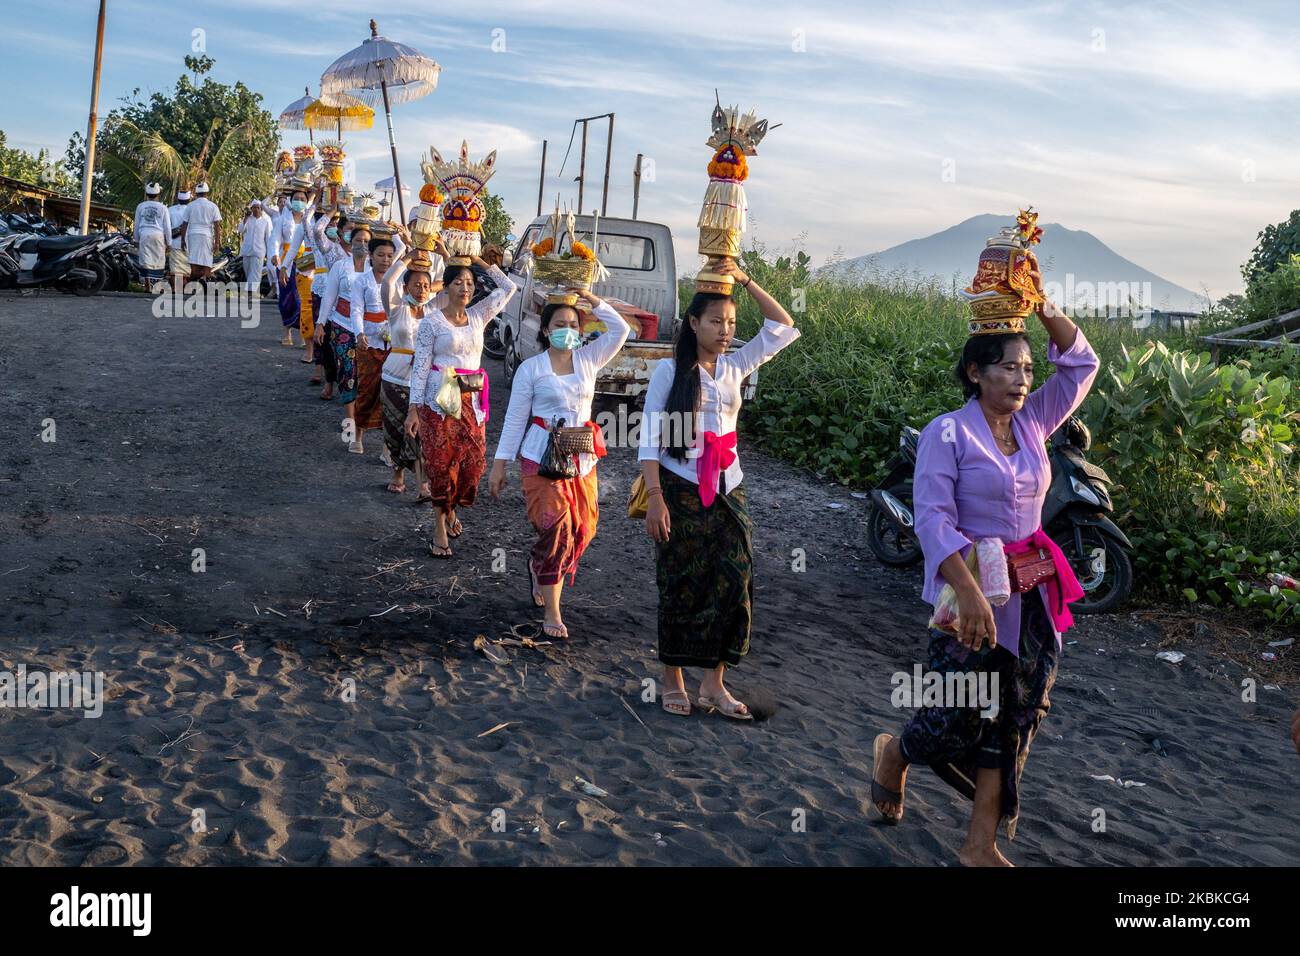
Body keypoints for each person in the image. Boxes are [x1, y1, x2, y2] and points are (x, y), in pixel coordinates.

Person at [870, 282, 1100, 867]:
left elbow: (1080, 363)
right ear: (976, 372)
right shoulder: (948, 433)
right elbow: (934, 520)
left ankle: (979, 846)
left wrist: (1039, 298)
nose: (1023, 380)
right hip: (968, 591)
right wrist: (970, 595)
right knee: (951, 715)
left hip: (1032, 591)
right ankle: (895, 753)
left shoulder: (1032, 424)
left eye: (1027, 368)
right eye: (1008, 368)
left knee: (1017, 716)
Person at [639, 258, 800, 719]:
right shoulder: (670, 374)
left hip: (730, 488)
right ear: (693, 323)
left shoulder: (735, 366)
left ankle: (714, 683)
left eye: (730, 322)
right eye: (716, 321)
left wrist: (744, 279)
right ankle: (673, 678)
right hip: (680, 487)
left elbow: (782, 325)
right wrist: (655, 498)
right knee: (681, 581)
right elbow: (650, 439)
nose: (725, 330)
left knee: (735, 579)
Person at [489, 288, 631, 639]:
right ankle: (553, 611)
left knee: (584, 529)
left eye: (572, 323)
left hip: (581, 459)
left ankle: (540, 568)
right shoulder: (530, 369)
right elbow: (515, 418)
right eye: (559, 323)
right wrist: (499, 464)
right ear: (545, 329)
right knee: (557, 529)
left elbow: (621, 330)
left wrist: (591, 298)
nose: (567, 328)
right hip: (539, 458)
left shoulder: (589, 359)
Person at [405, 253, 517, 557]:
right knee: (441, 465)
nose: (465, 288)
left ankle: (452, 507)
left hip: (472, 401)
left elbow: (508, 290)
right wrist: (414, 407)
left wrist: (480, 262)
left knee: (472, 464)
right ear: (447, 288)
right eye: (458, 282)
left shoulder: (479, 315)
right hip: (438, 401)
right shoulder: (432, 322)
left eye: (469, 283)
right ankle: (440, 525)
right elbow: (420, 366)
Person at [377, 228, 445, 498]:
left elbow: (450, 283)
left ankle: (423, 483)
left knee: (422, 432)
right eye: (416, 285)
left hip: (424, 380)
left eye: (426, 286)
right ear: (406, 287)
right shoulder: (397, 309)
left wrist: (443, 252)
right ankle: (398, 473)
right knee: (394, 428)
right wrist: (408, 256)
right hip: (395, 377)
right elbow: (387, 282)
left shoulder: (433, 310)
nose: (422, 290)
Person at [317, 220, 379, 452]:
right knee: (347, 373)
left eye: (366, 241)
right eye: (358, 241)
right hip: (342, 326)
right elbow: (329, 297)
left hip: (371, 331)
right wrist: (321, 324)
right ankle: (350, 421)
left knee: (368, 376)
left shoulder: (378, 269)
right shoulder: (341, 267)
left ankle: (365, 420)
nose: (362, 245)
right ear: (349, 243)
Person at [350, 227, 406, 455]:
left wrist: (394, 231)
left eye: (390, 256)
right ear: (371, 256)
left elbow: (403, 248)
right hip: (370, 344)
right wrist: (359, 333)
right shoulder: (360, 281)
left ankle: (387, 447)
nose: (386, 260)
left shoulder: (398, 280)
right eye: (381, 255)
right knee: (367, 390)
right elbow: (356, 309)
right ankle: (358, 435)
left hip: (394, 345)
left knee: (391, 394)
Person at [179, 182, 221, 285]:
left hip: (192, 235)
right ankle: (204, 278)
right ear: (207, 193)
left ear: (196, 193)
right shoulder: (213, 206)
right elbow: (217, 225)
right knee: (206, 260)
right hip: (206, 236)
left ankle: (195, 281)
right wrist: (217, 242)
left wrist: (182, 239)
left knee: (194, 260)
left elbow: (184, 224)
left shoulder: (190, 206)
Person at [132, 183, 171, 289]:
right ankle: (158, 286)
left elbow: (136, 223)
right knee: (159, 259)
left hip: (144, 234)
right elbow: (167, 227)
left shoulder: (140, 206)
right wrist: (169, 242)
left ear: (147, 194)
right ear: (158, 194)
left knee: (146, 260)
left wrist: (136, 239)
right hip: (158, 235)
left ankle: (148, 285)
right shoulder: (163, 208)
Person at [237, 200, 273, 296]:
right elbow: (240, 229)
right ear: (251, 209)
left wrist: (270, 254)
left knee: (255, 273)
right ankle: (251, 292)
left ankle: (251, 292)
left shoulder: (265, 222)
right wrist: (245, 218)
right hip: (247, 251)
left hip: (259, 252)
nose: (256, 209)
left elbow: (268, 238)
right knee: (248, 272)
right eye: (254, 207)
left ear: (261, 209)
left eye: (258, 207)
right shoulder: (248, 219)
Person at [166, 188, 190, 292]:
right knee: (186, 269)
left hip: (174, 243)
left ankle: (176, 289)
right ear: (188, 199)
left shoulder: (170, 209)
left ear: (178, 198)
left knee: (175, 270)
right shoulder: (191, 209)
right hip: (188, 244)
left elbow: (167, 227)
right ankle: (183, 290)